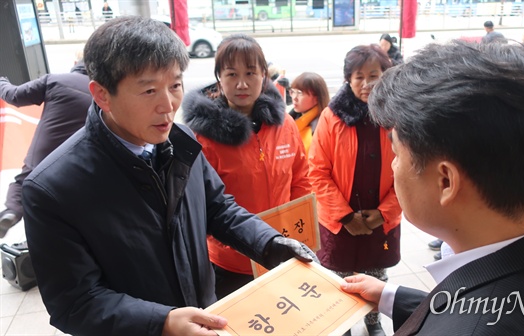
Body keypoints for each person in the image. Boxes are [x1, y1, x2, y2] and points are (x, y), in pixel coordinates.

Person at [22, 16, 315, 335]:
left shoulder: (181, 141)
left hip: (206, 318)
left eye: (175, 85)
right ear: (102, 95)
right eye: (149, 90)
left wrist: (271, 244)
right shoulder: (52, 189)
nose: (168, 105)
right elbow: (74, 303)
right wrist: (161, 322)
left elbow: (218, 208)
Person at [341, 40, 524, 335]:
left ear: (446, 182)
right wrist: (391, 297)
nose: (392, 167)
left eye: (397, 154)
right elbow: (486, 305)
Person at [181, 33, 312, 299]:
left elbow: (300, 178)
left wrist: (298, 229)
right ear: (219, 78)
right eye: (231, 74)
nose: (242, 83)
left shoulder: (283, 124)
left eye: (251, 73)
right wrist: (235, 242)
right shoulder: (202, 137)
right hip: (232, 261)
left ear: (264, 75)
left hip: (282, 249)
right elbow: (201, 205)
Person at [308, 44, 401, 336]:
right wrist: (347, 217)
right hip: (340, 222)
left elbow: (409, 171)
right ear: (348, 79)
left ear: (385, 75)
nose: (366, 84)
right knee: (339, 276)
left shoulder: (398, 117)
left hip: (380, 220)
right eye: (358, 76)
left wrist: (383, 214)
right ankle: (343, 325)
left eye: (373, 75)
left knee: (375, 274)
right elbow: (318, 171)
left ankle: (373, 323)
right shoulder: (331, 117)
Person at [0, 58, 91, 238]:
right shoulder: (102, 93)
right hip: (80, 158)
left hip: (44, 153)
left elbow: (14, 96)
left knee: (23, 182)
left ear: (75, 63)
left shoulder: (55, 80)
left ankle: (13, 211)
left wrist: (2, 81)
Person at [288, 72, 330, 153]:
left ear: (317, 98)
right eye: (292, 91)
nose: (294, 98)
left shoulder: (319, 129)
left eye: (300, 93)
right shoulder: (290, 121)